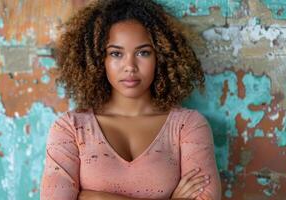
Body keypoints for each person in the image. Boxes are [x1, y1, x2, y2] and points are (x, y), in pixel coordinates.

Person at [40, 0, 221, 199]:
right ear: (100, 59)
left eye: (143, 52)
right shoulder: (70, 128)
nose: (130, 66)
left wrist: (94, 197)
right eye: (116, 53)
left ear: (160, 56)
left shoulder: (189, 126)